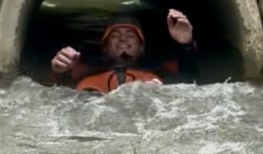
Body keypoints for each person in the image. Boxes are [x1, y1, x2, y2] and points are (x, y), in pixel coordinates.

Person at [51, 9, 197, 93]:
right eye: (115, 36)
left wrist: (185, 43)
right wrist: (59, 70)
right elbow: (58, 86)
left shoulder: (158, 69)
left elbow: (189, 78)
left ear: (141, 47)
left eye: (130, 35)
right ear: (105, 48)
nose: (123, 39)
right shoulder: (90, 70)